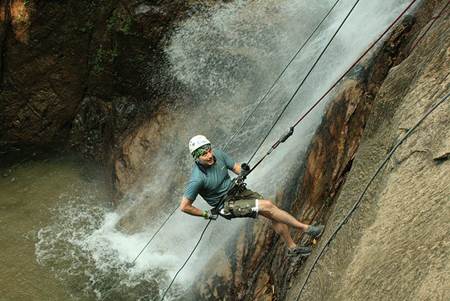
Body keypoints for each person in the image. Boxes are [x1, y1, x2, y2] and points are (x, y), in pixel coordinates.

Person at [180, 135, 324, 256]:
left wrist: (242, 171)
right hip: (225, 206)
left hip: (237, 190)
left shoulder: (218, 154)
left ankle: (292, 248)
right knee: (267, 206)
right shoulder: (197, 179)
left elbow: (235, 167)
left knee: (273, 212)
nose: (210, 155)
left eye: (209, 150)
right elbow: (184, 206)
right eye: (204, 154)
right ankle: (307, 229)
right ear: (196, 158)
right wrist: (205, 214)